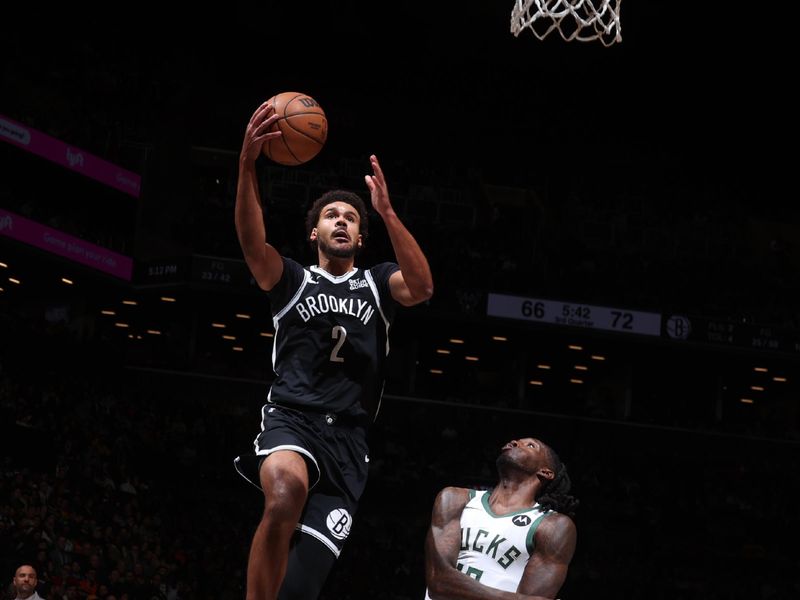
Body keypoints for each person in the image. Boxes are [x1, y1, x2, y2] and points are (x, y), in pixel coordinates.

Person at [232, 99, 434, 600]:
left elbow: (424, 287)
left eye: (350, 217)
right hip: (292, 419)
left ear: (361, 237)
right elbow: (252, 244)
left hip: (348, 442)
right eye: (330, 215)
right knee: (283, 497)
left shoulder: (378, 282)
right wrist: (246, 166)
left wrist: (386, 212)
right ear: (314, 232)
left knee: (300, 590)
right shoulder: (292, 280)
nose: (341, 221)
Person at [424, 437, 579, 600]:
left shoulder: (552, 526)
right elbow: (439, 583)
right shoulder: (454, 499)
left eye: (530, 445)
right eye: (516, 441)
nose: (515, 443)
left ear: (545, 472)